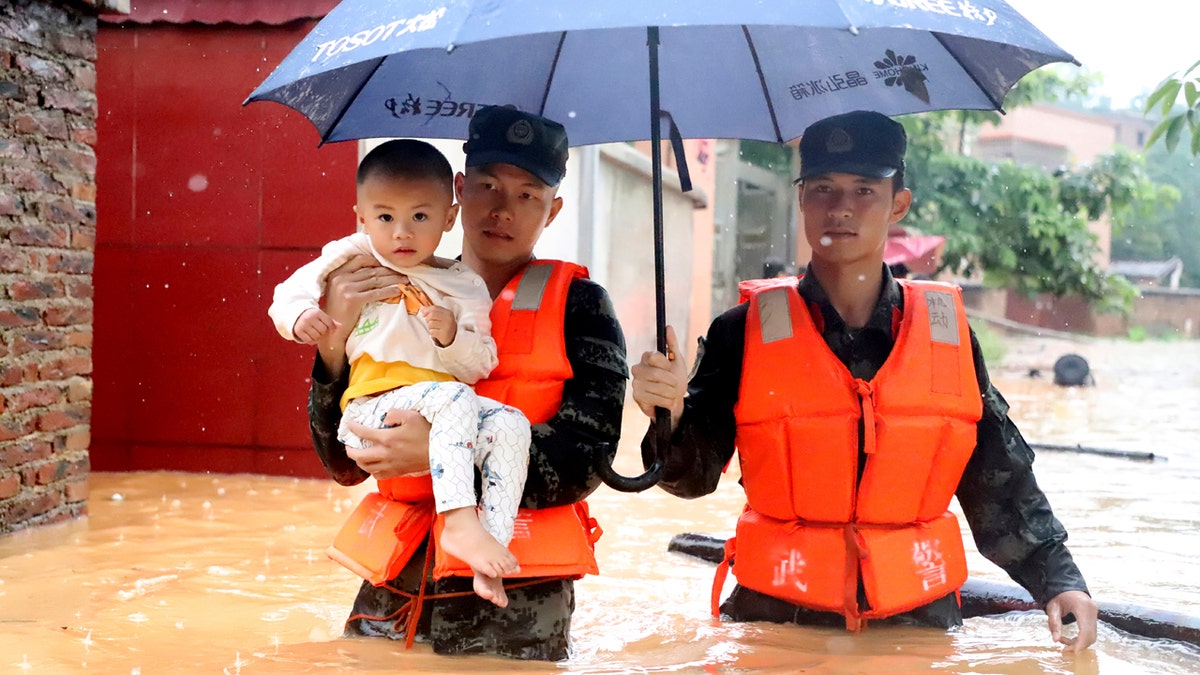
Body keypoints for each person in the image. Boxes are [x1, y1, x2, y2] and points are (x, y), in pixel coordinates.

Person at [630, 110, 1099, 652]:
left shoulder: (947, 337)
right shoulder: (742, 333)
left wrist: (1059, 579)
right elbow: (688, 479)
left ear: (898, 203)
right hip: (775, 630)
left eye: (864, 190)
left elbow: (998, 476)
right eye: (824, 188)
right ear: (802, 198)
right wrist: (668, 414)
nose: (842, 208)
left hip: (915, 629)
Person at [305, 107, 627, 660]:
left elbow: (587, 458)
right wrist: (330, 344)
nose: (503, 209)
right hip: (394, 598)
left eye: (528, 194)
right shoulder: (390, 285)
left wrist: (439, 451)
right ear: (459, 191)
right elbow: (338, 462)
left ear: (554, 209)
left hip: (514, 609)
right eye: (488, 186)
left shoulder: (582, 307)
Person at [269, 139, 531, 608]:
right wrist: (301, 317)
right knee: (455, 400)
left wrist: (452, 337)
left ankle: (488, 553)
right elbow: (289, 293)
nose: (402, 233)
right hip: (370, 414)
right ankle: (460, 521)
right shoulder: (350, 258)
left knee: (512, 424)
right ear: (362, 217)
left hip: (442, 413)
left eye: (421, 217)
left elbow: (480, 364)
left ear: (448, 219)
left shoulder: (463, 286)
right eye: (385, 217)